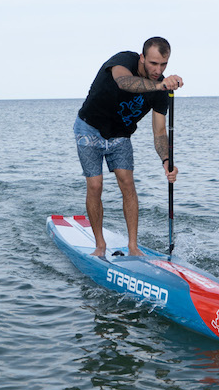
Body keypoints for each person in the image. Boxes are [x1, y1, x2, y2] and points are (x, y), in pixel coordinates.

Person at [74, 37, 182, 257]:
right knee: (95, 185)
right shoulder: (124, 60)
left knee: (128, 184)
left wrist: (166, 161)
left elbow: (160, 131)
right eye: (153, 63)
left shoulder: (160, 90)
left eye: (163, 65)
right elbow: (124, 82)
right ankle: (100, 246)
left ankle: (133, 247)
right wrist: (160, 84)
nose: (157, 69)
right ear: (142, 58)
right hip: (89, 128)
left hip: (120, 136)